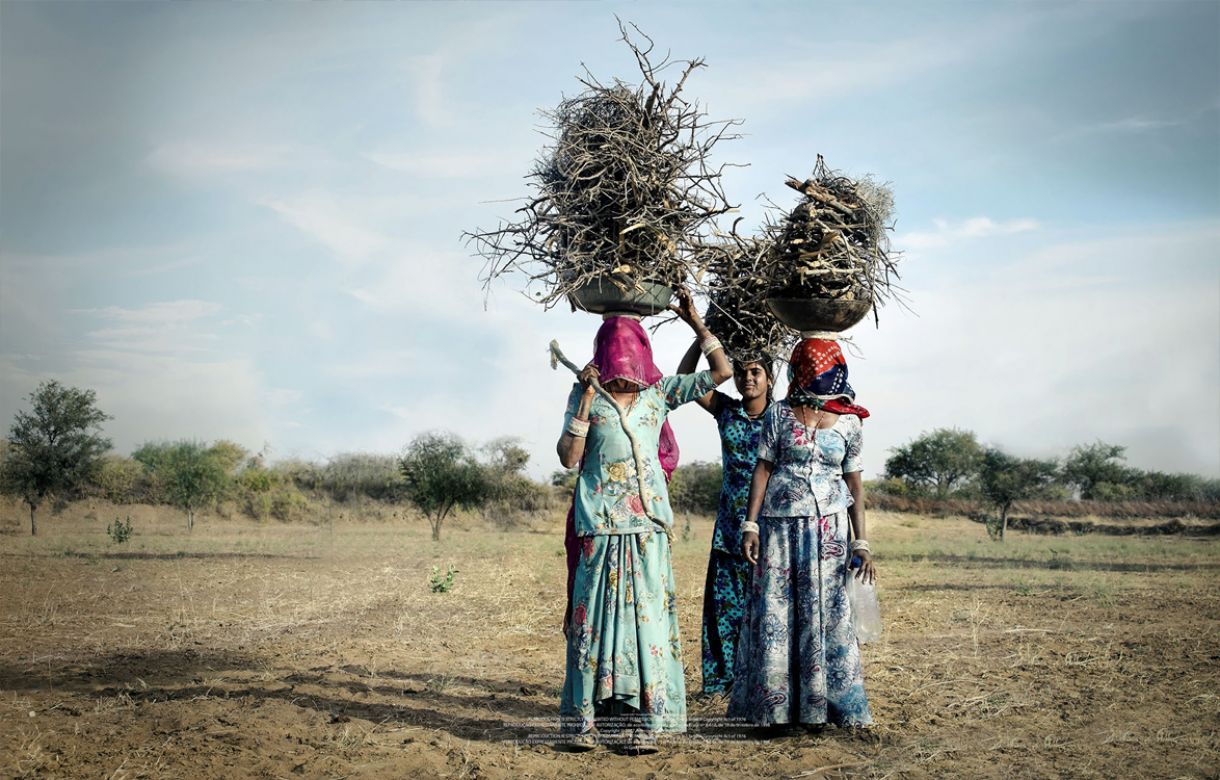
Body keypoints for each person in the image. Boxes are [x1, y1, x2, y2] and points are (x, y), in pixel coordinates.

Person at [557, 288, 731, 752]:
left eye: (631, 345)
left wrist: (695, 322)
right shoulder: (584, 393)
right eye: (614, 346)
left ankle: (639, 719)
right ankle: (588, 722)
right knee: (593, 622)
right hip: (598, 525)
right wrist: (585, 400)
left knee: (645, 622)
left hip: (648, 526)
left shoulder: (660, 395)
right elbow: (569, 459)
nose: (623, 355)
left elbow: (722, 372)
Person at [728, 337, 877, 730]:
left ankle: (828, 707)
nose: (814, 374)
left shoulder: (850, 420)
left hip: (829, 531)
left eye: (821, 368)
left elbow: (855, 485)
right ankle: (777, 709)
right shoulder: (778, 414)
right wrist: (751, 524)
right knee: (778, 613)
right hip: (779, 530)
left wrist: (861, 542)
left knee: (828, 612)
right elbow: (762, 469)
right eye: (807, 367)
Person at [675, 342, 775, 696]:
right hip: (729, 528)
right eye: (743, 371)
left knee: (768, 609)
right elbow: (684, 381)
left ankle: (765, 681)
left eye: (756, 372)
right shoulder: (726, 412)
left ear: (770, 379)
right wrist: (699, 337)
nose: (748, 378)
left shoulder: (782, 417)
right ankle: (721, 685)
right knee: (723, 611)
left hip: (771, 529)